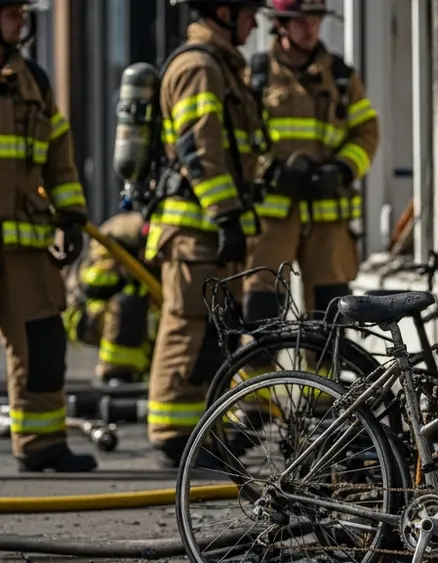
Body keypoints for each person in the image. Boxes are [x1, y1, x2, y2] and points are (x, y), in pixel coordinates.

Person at [144, 0, 266, 467]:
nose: (254, 22)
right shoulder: (198, 66)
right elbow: (200, 147)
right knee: (187, 327)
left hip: (209, 227)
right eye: (248, 12)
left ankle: (195, 434)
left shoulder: (221, 66)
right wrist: (225, 215)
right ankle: (173, 436)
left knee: (212, 336)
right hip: (196, 229)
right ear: (222, 10)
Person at [240, 0, 379, 380]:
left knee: (330, 314)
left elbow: (367, 131)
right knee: (261, 308)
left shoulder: (340, 75)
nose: (311, 29)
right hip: (273, 213)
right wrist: (269, 169)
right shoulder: (253, 75)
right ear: (281, 25)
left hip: (327, 215)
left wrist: (343, 169)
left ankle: (324, 404)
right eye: (302, 21)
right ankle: (255, 399)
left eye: (316, 20)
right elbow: (238, 138)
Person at [0, 0, 96, 472]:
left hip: (24, 244)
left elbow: (59, 157)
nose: (22, 21)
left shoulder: (33, 81)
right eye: (12, 13)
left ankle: (40, 443)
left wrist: (72, 216)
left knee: (43, 342)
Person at [63, 211, 156, 387]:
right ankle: (116, 375)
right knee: (129, 306)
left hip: (141, 312)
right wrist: (124, 272)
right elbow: (94, 284)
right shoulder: (111, 238)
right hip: (88, 316)